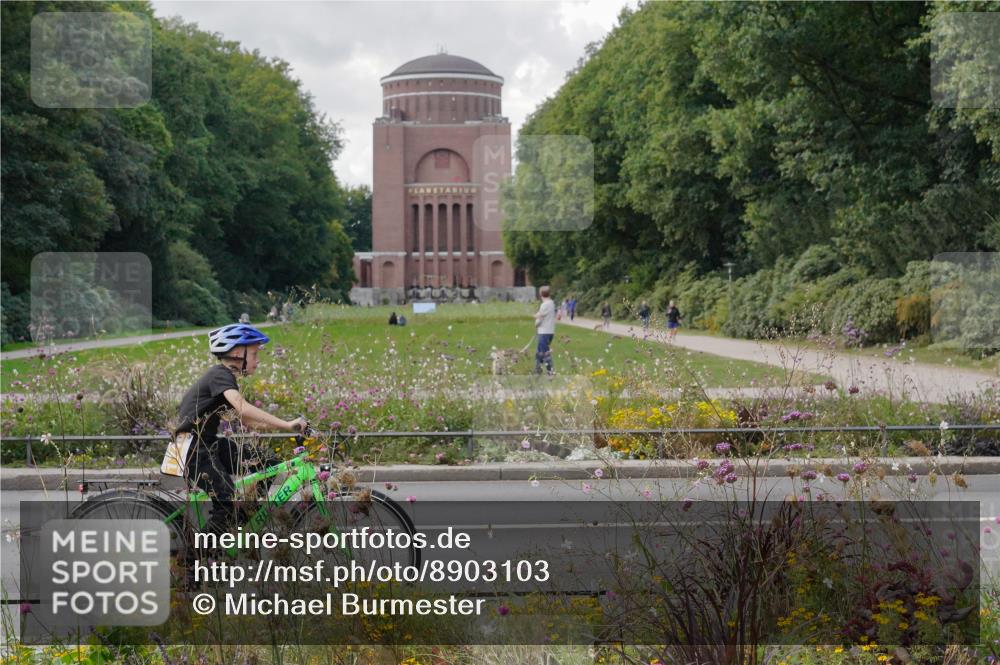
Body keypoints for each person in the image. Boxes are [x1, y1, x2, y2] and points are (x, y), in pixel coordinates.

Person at [175, 323, 306, 533]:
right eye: (254, 354)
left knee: (267, 463)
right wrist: (287, 424)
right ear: (238, 353)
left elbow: (250, 421)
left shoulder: (225, 378)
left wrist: (288, 428)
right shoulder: (220, 375)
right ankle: (197, 560)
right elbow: (242, 406)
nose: (258, 361)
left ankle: (243, 519)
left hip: (208, 445)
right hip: (192, 450)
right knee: (226, 504)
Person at [533, 285, 556, 375]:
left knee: (545, 353)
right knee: (539, 352)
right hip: (549, 331)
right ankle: (537, 369)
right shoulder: (551, 303)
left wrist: (536, 322)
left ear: (541, 294)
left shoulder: (545, 305)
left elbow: (540, 317)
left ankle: (550, 371)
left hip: (544, 332)